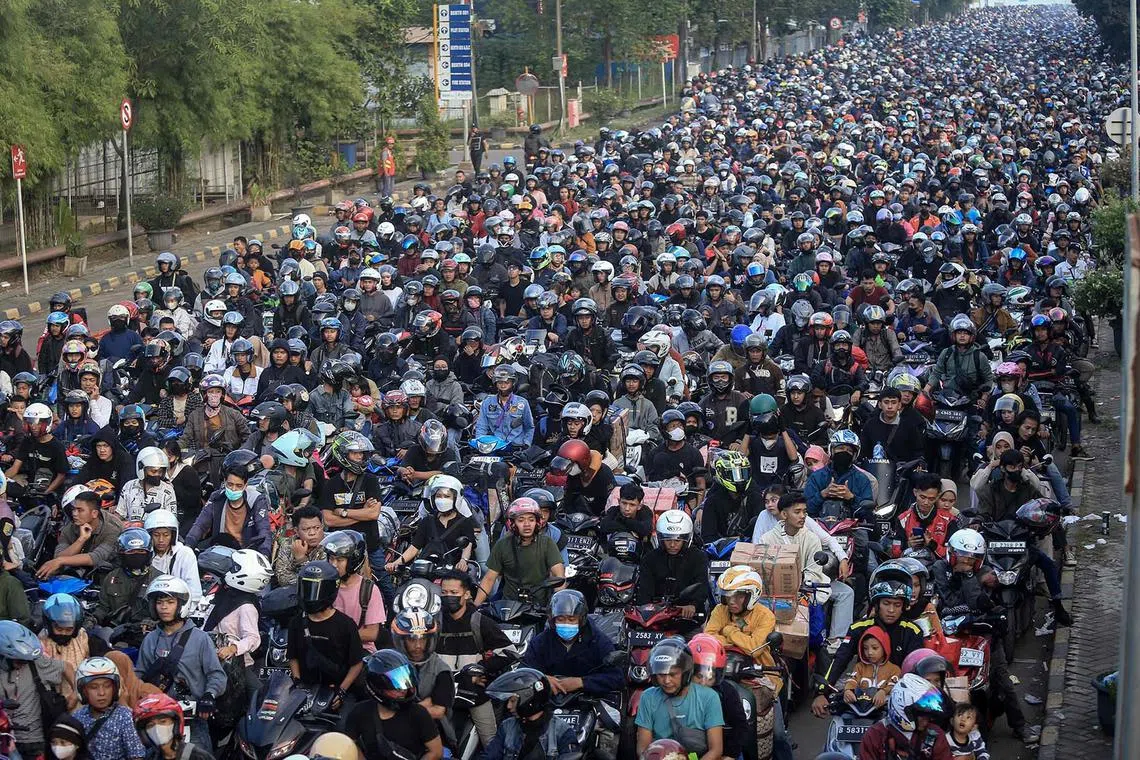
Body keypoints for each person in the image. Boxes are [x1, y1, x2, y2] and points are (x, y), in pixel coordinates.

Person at [813, 571, 924, 718]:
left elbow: (916, 672)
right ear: (876, 604)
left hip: (898, 702)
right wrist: (822, 692)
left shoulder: (913, 631)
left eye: (897, 605)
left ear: (903, 606)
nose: (891, 610)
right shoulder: (858, 628)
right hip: (860, 700)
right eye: (886, 603)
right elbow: (840, 659)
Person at [137, 576, 226, 753]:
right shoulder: (150, 639)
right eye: (160, 602)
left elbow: (216, 674)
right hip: (158, 717)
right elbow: (139, 675)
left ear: (181, 605)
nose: (164, 607)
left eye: (170, 602)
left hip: (193, 718)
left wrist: (209, 694)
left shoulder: (200, 639)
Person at [758, 491, 851, 646]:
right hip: (775, 593)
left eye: (804, 512)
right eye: (797, 512)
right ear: (784, 514)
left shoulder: (812, 538)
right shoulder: (767, 539)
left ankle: (833, 643)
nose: (802, 516)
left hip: (804, 590)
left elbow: (814, 572)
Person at [434, 570, 512, 748]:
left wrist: (482, 669)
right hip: (442, 694)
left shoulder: (479, 622)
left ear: (467, 594)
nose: (448, 597)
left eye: (454, 593)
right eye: (444, 593)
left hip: (474, 694)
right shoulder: (435, 623)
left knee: (491, 743)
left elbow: (510, 652)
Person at [289, 560, 365, 710]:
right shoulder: (296, 623)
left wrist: (342, 691)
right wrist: (298, 684)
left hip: (337, 690)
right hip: (306, 691)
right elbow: (293, 656)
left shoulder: (346, 625)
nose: (310, 596)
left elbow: (356, 663)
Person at [202, 550, 270, 712]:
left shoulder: (246, 606)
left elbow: (253, 638)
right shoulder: (223, 593)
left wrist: (233, 648)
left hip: (236, 665)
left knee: (259, 698)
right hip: (208, 658)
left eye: (234, 567)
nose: (230, 570)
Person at [343, 649, 443, 760]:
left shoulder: (418, 713)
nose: (403, 690)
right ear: (378, 686)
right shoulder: (359, 713)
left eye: (406, 681)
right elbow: (348, 746)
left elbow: (436, 752)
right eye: (396, 684)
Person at [634, 638, 724, 760]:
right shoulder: (648, 697)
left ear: (685, 673)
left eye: (672, 674)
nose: (666, 681)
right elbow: (642, 749)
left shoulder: (709, 697)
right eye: (661, 675)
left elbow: (716, 750)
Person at [522, 589, 623, 696]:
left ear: (581, 620)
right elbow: (524, 672)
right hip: (550, 699)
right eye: (560, 619)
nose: (566, 624)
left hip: (589, 700)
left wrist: (581, 682)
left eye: (571, 619)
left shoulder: (598, 640)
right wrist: (541, 679)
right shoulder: (540, 642)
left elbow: (616, 677)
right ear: (553, 620)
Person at [474, 497, 564, 606]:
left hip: (539, 607)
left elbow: (558, 575)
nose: (527, 524)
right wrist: (475, 607)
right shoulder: (502, 545)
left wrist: (557, 606)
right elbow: (489, 579)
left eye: (531, 519)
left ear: (537, 522)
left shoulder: (547, 543)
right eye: (521, 520)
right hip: (508, 606)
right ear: (512, 523)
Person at [0, 620, 70, 759]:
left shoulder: (36, 662)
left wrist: (76, 693)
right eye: (18, 661)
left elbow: (66, 667)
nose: (23, 664)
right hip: (4, 739)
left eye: (25, 660)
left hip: (34, 740)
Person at [322, 431, 388, 573]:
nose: (360, 457)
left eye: (361, 453)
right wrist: (361, 514)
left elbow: (373, 514)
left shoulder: (370, 480)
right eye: (355, 453)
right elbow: (328, 520)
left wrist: (343, 512)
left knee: (385, 586)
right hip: (340, 548)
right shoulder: (331, 484)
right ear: (343, 454)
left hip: (370, 545)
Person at [184, 449, 272, 555]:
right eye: (230, 484)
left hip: (247, 554)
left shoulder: (256, 500)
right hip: (220, 551)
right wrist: (188, 545)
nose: (234, 489)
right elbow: (200, 524)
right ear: (225, 482)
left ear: (245, 486)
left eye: (238, 486)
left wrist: (264, 554)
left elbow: (264, 530)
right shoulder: (216, 497)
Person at [480, 667, 579, 760]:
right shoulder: (507, 727)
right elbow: (489, 756)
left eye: (513, 701)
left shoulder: (562, 731)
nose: (508, 706)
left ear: (529, 700)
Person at [387, 474, 474, 573]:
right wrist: (396, 563)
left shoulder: (464, 522)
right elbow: (414, 547)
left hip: (452, 571)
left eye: (447, 496)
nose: (442, 499)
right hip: (427, 569)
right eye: (438, 496)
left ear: (455, 498)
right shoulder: (427, 521)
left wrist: (463, 561)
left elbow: (467, 545)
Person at [857, 673, 952, 760]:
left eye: (928, 716)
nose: (926, 721)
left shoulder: (934, 734)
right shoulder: (875, 735)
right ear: (902, 710)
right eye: (921, 716)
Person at [37, 488, 124, 579]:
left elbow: (97, 557)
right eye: (73, 509)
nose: (74, 514)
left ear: (94, 513)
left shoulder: (113, 529)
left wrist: (61, 561)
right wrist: (81, 540)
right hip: (76, 573)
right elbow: (59, 555)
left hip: (108, 576)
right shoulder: (69, 528)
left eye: (80, 510)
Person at [72, 657, 147, 760]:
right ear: (83, 691)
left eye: (107, 686)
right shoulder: (77, 717)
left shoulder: (124, 717)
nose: (102, 693)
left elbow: (136, 756)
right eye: (94, 687)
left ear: (115, 688)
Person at [687, 634, 749, 760]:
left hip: (726, 750)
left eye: (710, 678)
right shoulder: (681, 691)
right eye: (699, 677)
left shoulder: (727, 693)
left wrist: (730, 754)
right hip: (691, 750)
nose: (703, 683)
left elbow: (740, 726)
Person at [635, 511, 709, 616]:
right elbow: (644, 591)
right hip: (655, 616)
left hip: (688, 617)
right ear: (661, 539)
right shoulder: (650, 558)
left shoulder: (698, 557)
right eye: (668, 540)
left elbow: (702, 586)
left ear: (686, 539)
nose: (672, 545)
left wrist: (693, 605)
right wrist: (647, 609)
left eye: (677, 540)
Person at [324, 530, 387, 653]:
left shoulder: (369, 589)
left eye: (340, 560)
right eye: (331, 559)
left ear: (353, 561)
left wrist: (338, 637)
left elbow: (372, 633)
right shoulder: (324, 585)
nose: (334, 564)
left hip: (361, 650)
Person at [88, 529, 160, 629]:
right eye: (131, 552)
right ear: (122, 554)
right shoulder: (112, 577)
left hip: (145, 634)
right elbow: (103, 608)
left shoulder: (159, 579)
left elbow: (166, 613)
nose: (136, 555)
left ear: (148, 554)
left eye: (141, 551)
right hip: (116, 634)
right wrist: (93, 620)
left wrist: (153, 623)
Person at [804, 430, 874, 518]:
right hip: (819, 527)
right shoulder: (816, 477)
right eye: (840, 448)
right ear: (832, 450)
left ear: (854, 455)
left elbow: (867, 513)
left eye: (849, 450)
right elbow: (806, 509)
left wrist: (851, 498)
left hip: (853, 528)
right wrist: (823, 494)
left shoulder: (862, 479)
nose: (844, 452)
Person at [888, 473, 956, 560]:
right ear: (915, 492)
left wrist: (931, 544)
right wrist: (908, 545)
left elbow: (952, 556)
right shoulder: (903, 519)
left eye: (931, 499)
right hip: (909, 565)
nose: (926, 502)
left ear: (938, 496)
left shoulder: (949, 520)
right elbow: (895, 554)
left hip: (934, 567)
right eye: (923, 497)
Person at [700, 451, 765, 542]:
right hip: (721, 551)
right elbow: (708, 536)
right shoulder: (713, 500)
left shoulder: (755, 496)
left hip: (750, 546)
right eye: (733, 474)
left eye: (743, 473)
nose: (739, 479)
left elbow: (761, 530)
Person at [144, 510, 202, 604]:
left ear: (173, 535)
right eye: (156, 535)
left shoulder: (185, 554)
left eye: (166, 535)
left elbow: (194, 593)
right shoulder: (144, 556)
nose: (161, 540)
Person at [133, 693, 214, 760]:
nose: (157, 728)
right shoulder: (149, 757)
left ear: (175, 723)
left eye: (163, 722)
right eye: (150, 725)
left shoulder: (198, 757)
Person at [550, 438, 615, 516]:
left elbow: (609, 503)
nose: (569, 471)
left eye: (571, 465)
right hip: (579, 517)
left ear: (582, 461)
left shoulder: (603, 475)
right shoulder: (575, 475)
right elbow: (569, 497)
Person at [474, 367, 535, 447]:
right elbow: (481, 427)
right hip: (494, 446)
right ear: (495, 383)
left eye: (507, 382)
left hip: (516, 447)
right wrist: (480, 444)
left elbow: (529, 427)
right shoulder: (487, 403)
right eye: (500, 382)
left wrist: (526, 443)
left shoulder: (522, 403)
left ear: (513, 383)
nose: (503, 386)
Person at [842, 626, 901, 708]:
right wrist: (848, 690)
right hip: (860, 709)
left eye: (875, 648)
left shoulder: (894, 669)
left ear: (885, 647)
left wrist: (883, 692)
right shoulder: (859, 666)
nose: (869, 652)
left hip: (883, 710)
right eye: (865, 648)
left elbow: (893, 685)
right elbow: (853, 680)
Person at [117, 447, 179, 524]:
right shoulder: (128, 486)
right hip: (132, 533)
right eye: (153, 471)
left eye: (160, 471)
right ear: (141, 468)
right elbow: (120, 514)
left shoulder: (168, 490)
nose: (157, 474)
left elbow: (171, 520)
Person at [274, 505, 327, 588]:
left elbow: (320, 581)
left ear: (322, 526)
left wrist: (301, 559)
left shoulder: (331, 544)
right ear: (296, 531)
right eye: (306, 529)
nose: (312, 533)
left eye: (317, 528)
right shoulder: (288, 544)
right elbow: (283, 579)